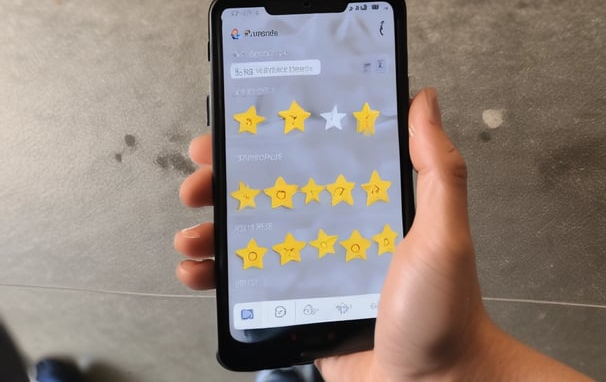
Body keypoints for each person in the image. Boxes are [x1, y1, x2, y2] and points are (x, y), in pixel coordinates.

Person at [175, 88, 594, 381]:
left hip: (362, 354)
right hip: (381, 348)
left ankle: (289, 360)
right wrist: (453, 366)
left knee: (275, 350)